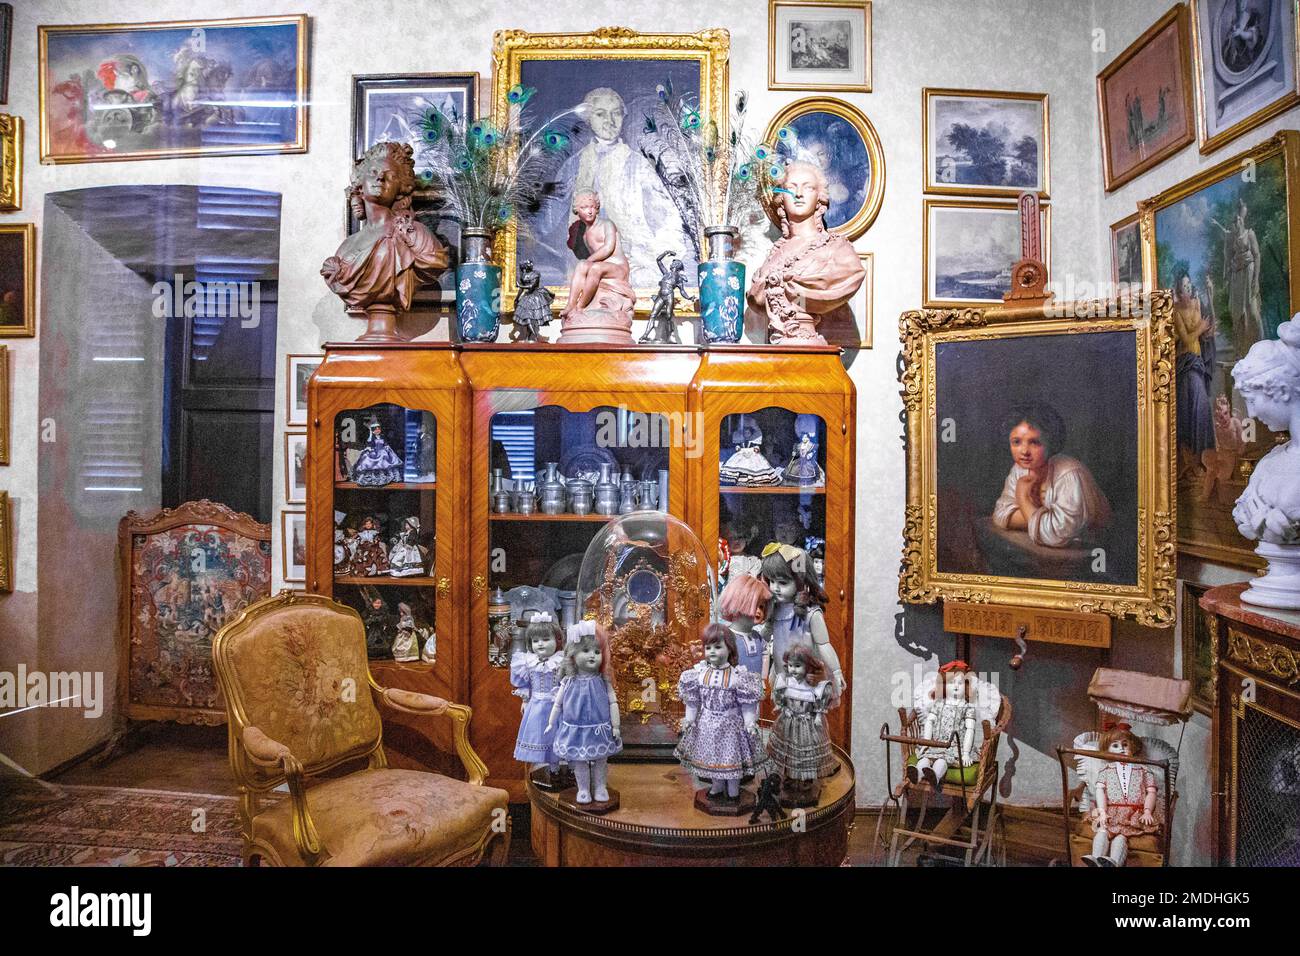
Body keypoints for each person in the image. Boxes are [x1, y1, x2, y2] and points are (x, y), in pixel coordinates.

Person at [746, 160, 865, 344]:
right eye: (791, 188)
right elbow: (757, 298)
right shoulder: (774, 255)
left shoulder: (839, 251)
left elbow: (852, 276)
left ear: (820, 198)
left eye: (808, 187)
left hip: (810, 345)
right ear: (781, 199)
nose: (798, 194)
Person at [991, 402, 1112, 548]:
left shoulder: (1070, 474)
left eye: (1034, 442)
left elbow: (1056, 534)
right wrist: (1044, 516)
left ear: (1051, 442)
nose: (1024, 451)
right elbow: (1000, 515)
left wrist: (1022, 498)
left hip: (1087, 550)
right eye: (1016, 442)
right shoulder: (1019, 470)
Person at [560, 189, 635, 319]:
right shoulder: (585, 235)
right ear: (577, 210)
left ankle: (580, 306)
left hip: (618, 268)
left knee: (594, 267)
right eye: (584, 207)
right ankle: (571, 304)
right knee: (582, 265)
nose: (589, 211)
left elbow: (608, 248)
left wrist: (589, 260)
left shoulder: (607, 224)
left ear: (597, 208)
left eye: (592, 207)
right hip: (603, 267)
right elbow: (591, 261)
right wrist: (587, 262)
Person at [1172, 269, 1217, 480]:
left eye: (1189, 286)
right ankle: (1189, 462)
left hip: (1197, 364)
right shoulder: (1175, 311)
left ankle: (1202, 459)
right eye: (1184, 287)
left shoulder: (1198, 303)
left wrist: (1210, 296)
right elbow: (1188, 339)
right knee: (1188, 412)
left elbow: (1208, 330)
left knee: (1200, 410)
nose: (1187, 291)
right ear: (1178, 290)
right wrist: (1200, 329)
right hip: (1185, 366)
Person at [1212, 197, 1263, 359]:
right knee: (1238, 316)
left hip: (1249, 273)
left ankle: (1261, 347)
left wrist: (1255, 279)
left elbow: (1257, 255)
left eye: (1238, 219)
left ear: (1242, 219)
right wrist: (1226, 276)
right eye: (1234, 221)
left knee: (1253, 313)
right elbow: (1227, 256)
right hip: (1237, 277)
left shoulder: (1250, 234)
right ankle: (1241, 351)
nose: (1236, 222)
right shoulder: (1232, 238)